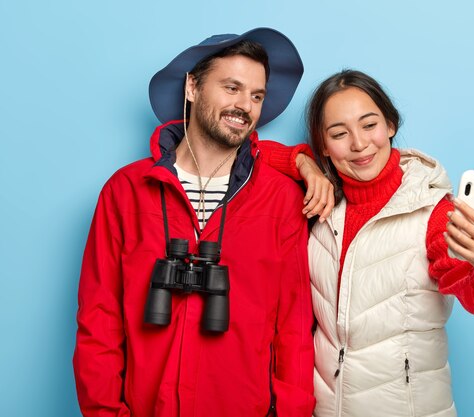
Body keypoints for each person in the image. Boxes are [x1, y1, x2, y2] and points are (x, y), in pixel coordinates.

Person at [73, 28, 316, 417]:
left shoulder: (281, 198)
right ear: (192, 87)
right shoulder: (126, 192)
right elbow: (98, 321)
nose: (245, 106)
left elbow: (294, 328)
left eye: (257, 95)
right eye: (232, 88)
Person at [258, 70, 474, 417]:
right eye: (339, 133)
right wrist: (303, 163)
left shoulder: (432, 212)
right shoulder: (322, 202)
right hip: (326, 407)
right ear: (323, 144)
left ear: (391, 125)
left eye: (370, 125)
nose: (359, 144)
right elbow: (246, 151)